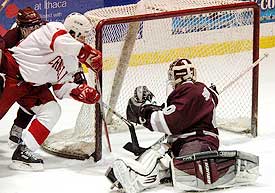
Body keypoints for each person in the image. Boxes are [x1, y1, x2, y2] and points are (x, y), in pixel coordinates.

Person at [105, 58, 259, 192]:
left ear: (177, 76)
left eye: (172, 76)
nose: (171, 81)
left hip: (198, 142)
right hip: (190, 141)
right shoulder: (198, 90)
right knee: (159, 154)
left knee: (174, 161)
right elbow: (208, 99)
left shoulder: (188, 91)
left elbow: (169, 122)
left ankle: (138, 178)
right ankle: (137, 177)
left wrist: (145, 112)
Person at [0, 12, 102, 171]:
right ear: (74, 33)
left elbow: (60, 88)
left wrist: (79, 91)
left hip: (31, 87)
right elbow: (62, 43)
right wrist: (85, 53)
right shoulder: (54, 29)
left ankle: (23, 152)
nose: (85, 39)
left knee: (52, 109)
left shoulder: (71, 62)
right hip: (10, 74)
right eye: (83, 36)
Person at [0, 7, 45, 149]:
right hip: (15, 77)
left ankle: (18, 128)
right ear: (20, 28)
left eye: (36, 27)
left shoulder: (46, 32)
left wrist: (77, 75)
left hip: (38, 76)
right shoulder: (14, 35)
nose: (33, 31)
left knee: (37, 100)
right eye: (28, 28)